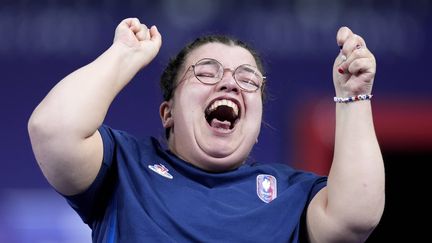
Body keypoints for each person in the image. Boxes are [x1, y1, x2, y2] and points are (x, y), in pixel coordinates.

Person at [28, 18, 385, 242]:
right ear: (168, 112)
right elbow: (53, 129)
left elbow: (355, 218)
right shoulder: (124, 168)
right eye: (207, 72)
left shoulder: (294, 196)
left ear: (258, 125)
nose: (229, 84)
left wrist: (354, 96)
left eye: (247, 80)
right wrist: (123, 55)